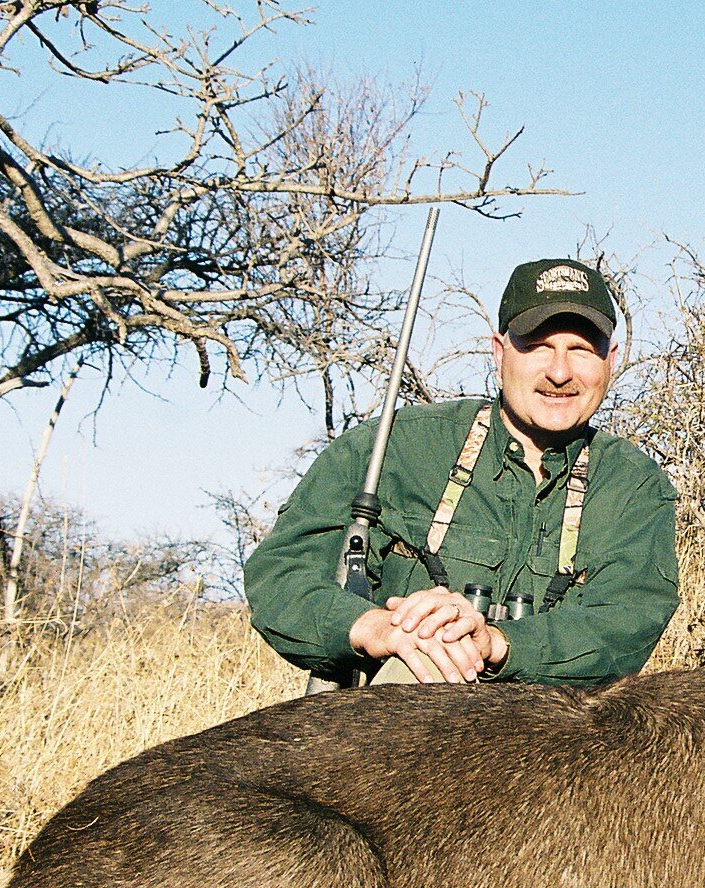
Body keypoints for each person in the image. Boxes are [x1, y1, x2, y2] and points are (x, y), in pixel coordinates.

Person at [246, 258, 679, 687]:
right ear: (499, 350)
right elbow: (281, 578)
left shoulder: (634, 486)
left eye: (581, 349)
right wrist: (375, 629)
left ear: (611, 359)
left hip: (555, 738)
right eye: (538, 346)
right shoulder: (393, 447)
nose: (560, 371)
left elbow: (628, 623)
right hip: (387, 729)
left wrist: (496, 643)